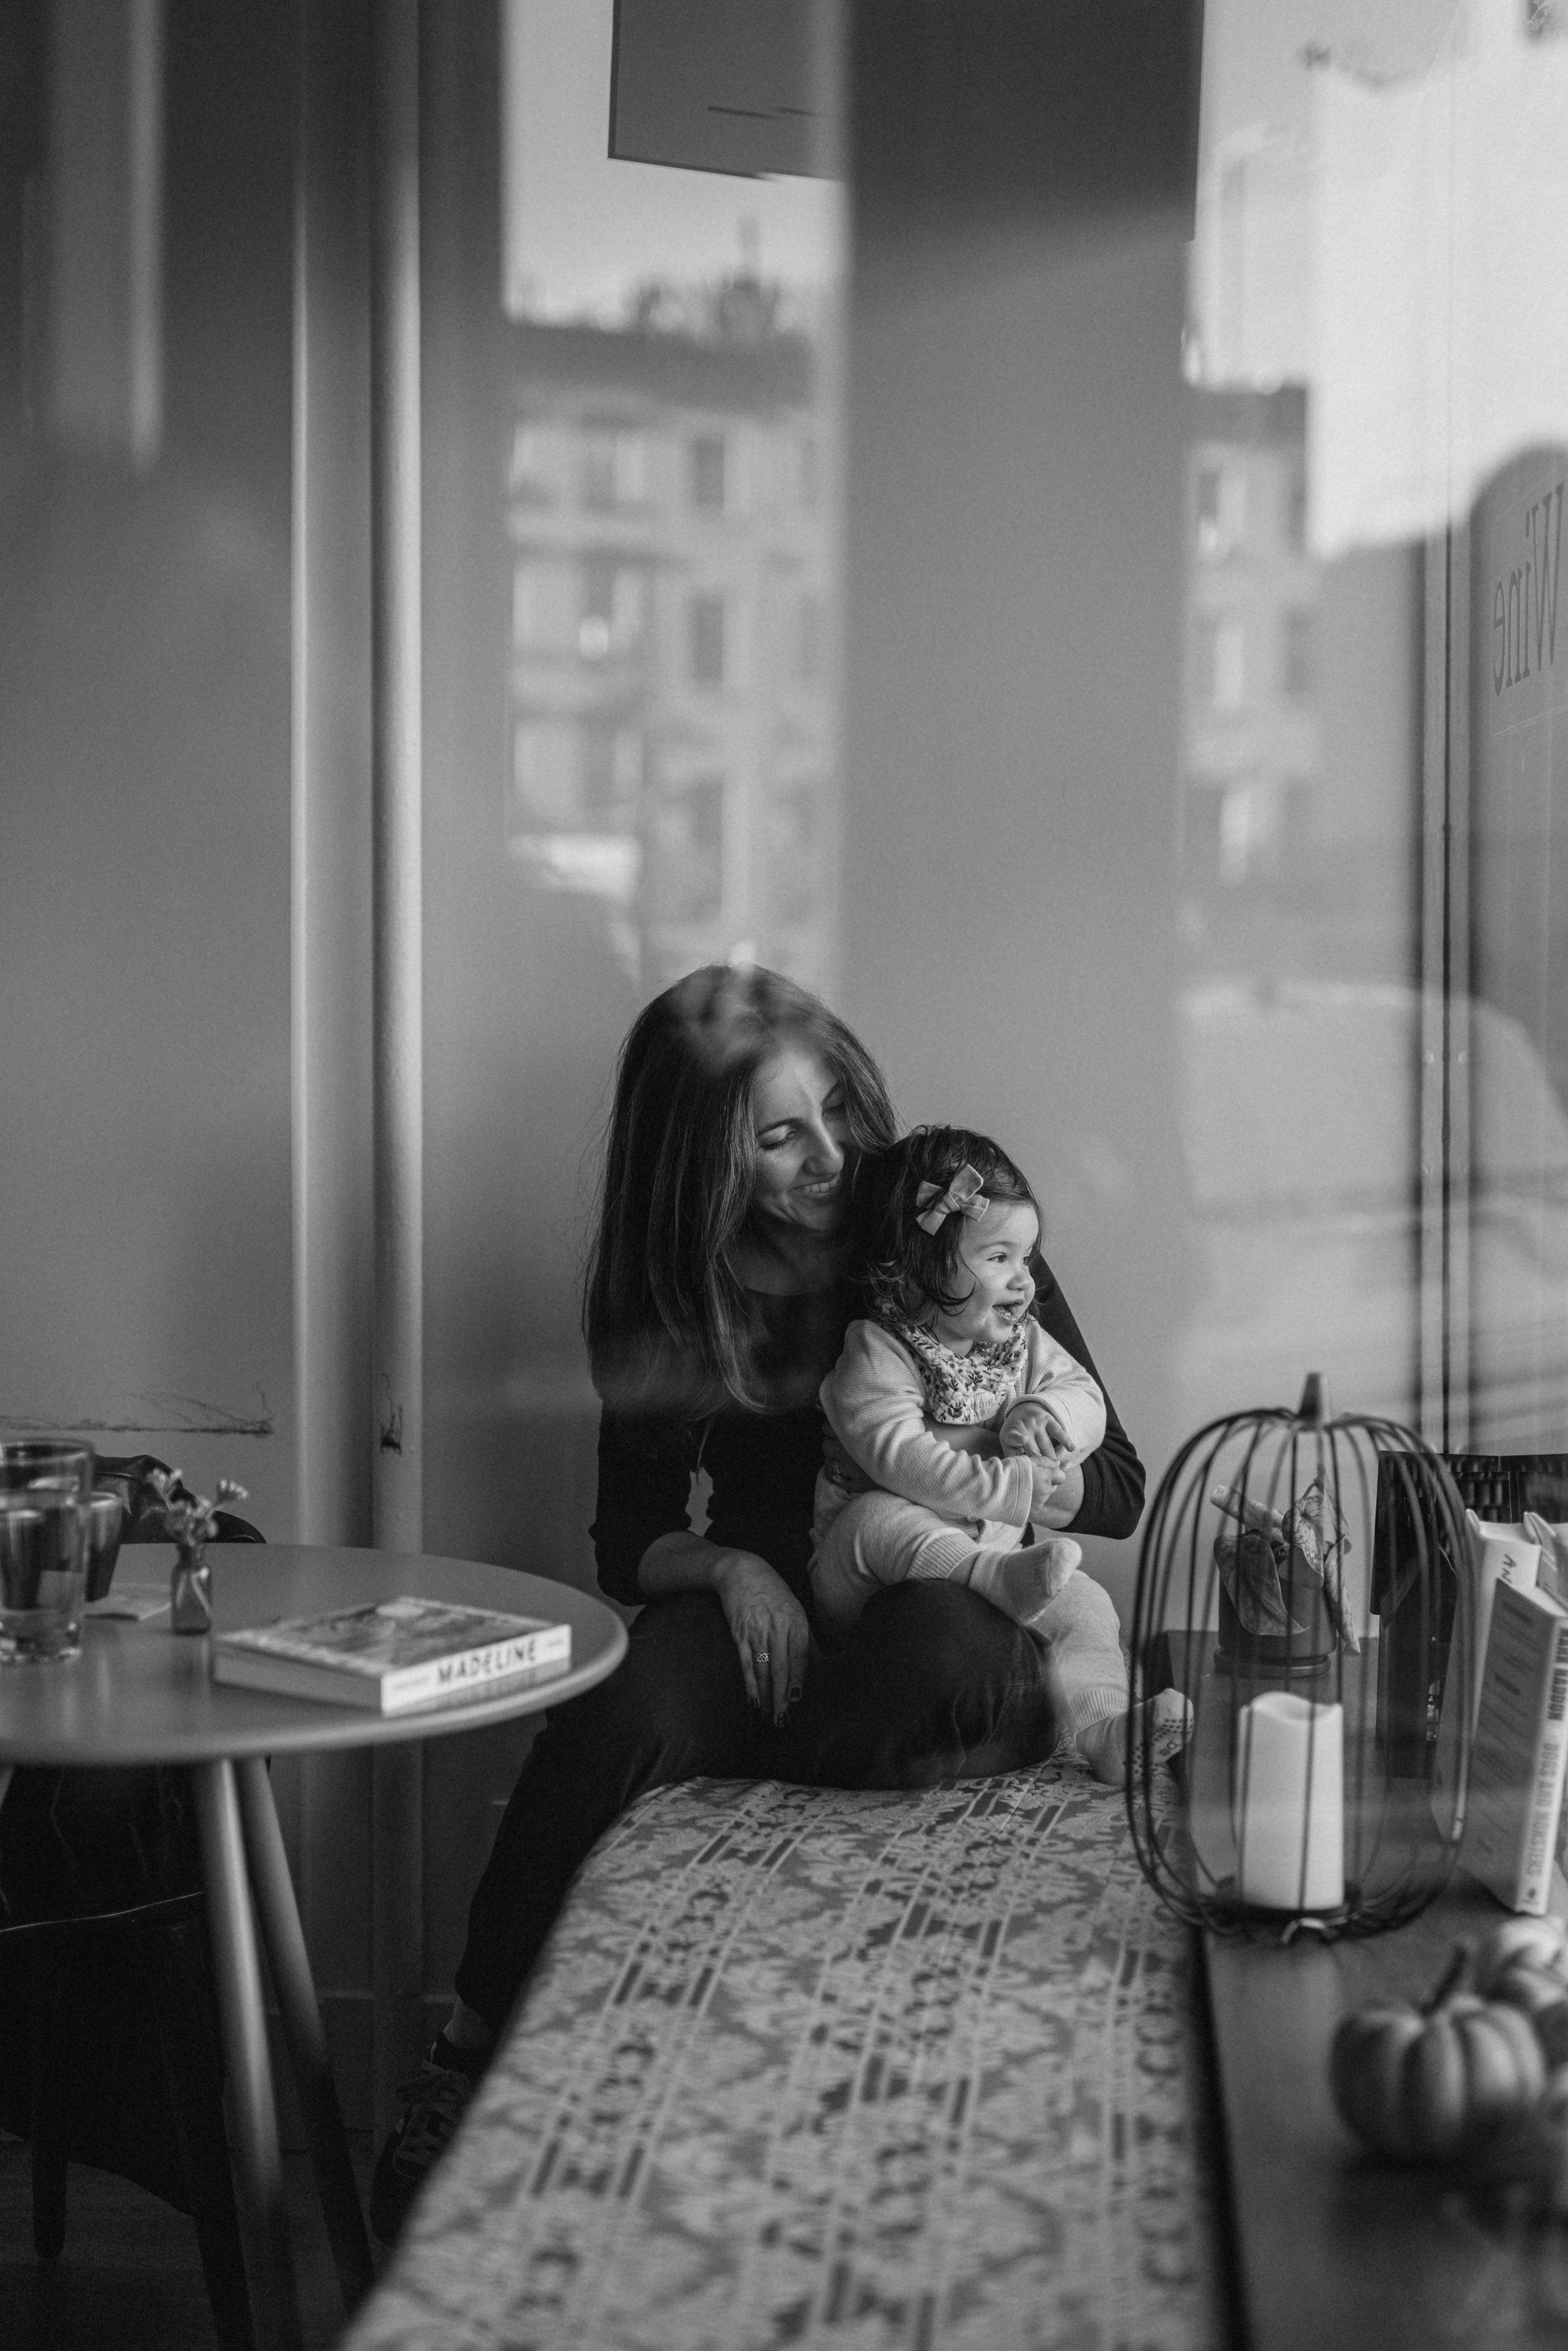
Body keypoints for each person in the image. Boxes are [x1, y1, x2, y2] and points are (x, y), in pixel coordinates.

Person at [369, 965, 1145, 2243]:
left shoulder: (941, 1216)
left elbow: (1117, 1485)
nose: (831, 1156)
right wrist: (733, 1571)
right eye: (780, 1137)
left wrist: (1011, 1455)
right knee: (620, 1704)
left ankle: (801, 1759)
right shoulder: (673, 1285)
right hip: (764, 1608)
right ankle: (467, 2049)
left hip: (938, 1584)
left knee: (944, 1642)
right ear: (703, 1161)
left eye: (835, 1110)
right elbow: (627, 1540)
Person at [810, 1125, 1142, 1783]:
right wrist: (1010, 1487)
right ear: (921, 1266)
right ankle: (987, 1578)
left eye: (1027, 1257)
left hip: (1003, 1562)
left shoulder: (1019, 1341)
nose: (1024, 1281)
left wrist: (1041, 1414)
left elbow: (1086, 1398)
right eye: (999, 1258)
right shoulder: (877, 1350)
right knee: (880, 1515)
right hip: (867, 1578)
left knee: (1086, 1603)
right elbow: (900, 1457)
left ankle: (1105, 1729)